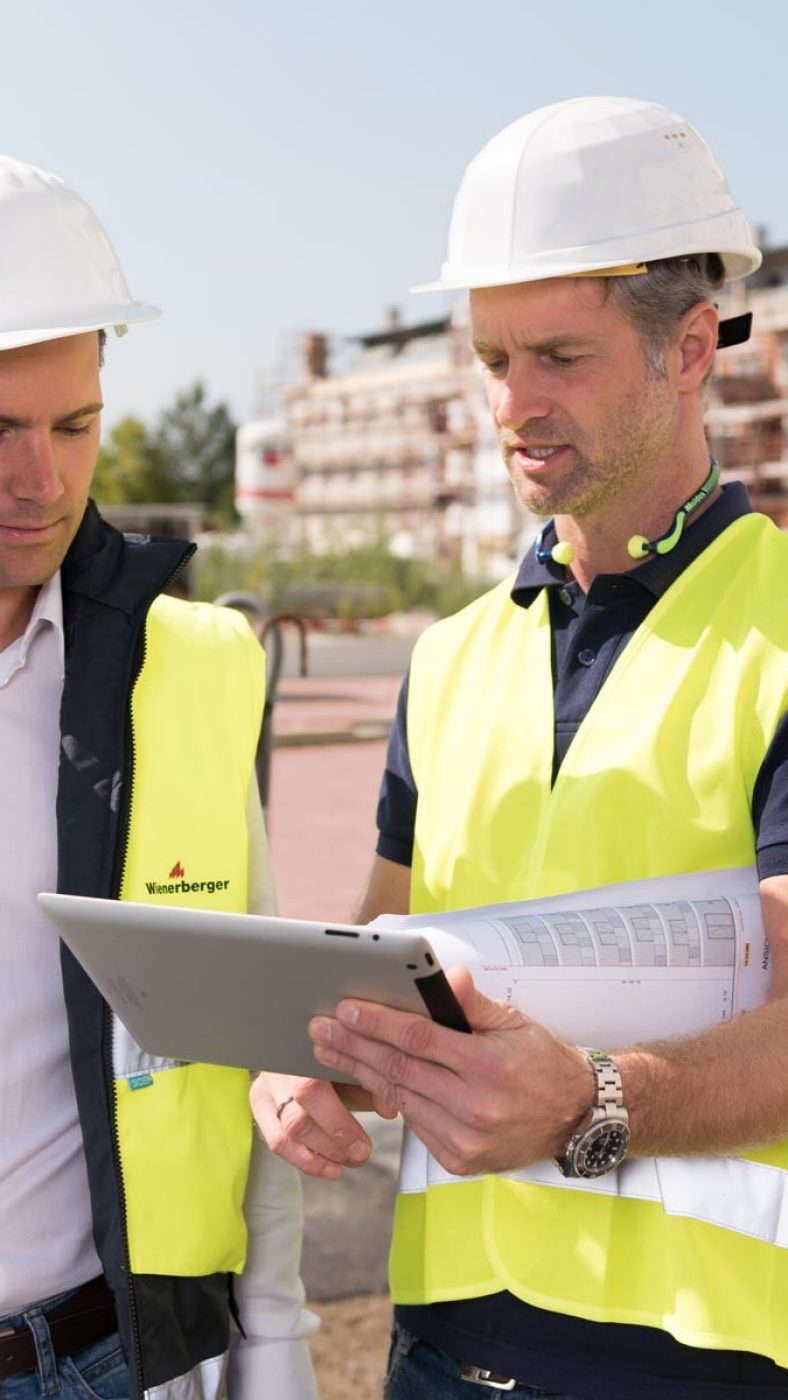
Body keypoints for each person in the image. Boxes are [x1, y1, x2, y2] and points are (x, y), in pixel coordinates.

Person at [252, 96, 788, 1398]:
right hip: (443, 1345)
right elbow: (388, 971)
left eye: (559, 355)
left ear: (694, 348)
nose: (514, 404)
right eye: (492, 359)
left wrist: (590, 1101)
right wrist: (323, 1067)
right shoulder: (447, 660)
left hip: (701, 1358)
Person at [0, 153, 318, 1399]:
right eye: (0, 430)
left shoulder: (188, 664)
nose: (43, 480)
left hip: (98, 1360)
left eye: (74, 425)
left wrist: (277, 1346)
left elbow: (254, 1025)